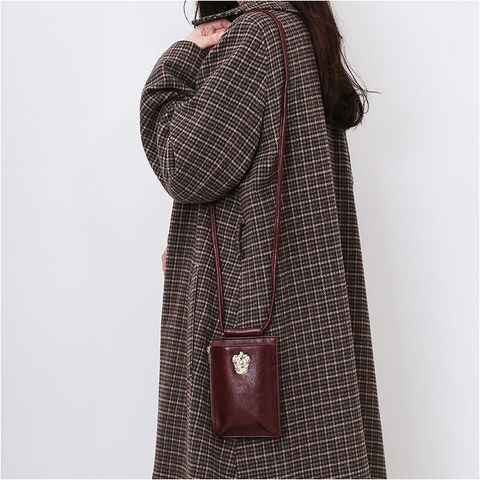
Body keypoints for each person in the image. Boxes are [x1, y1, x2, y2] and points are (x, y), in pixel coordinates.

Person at [139, 1, 387, 478]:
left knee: (247, 459)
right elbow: (259, 172)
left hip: (249, 314)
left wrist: (179, 58)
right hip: (301, 314)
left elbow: (182, 162)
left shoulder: (257, 35)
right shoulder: (295, 26)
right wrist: (196, 244)